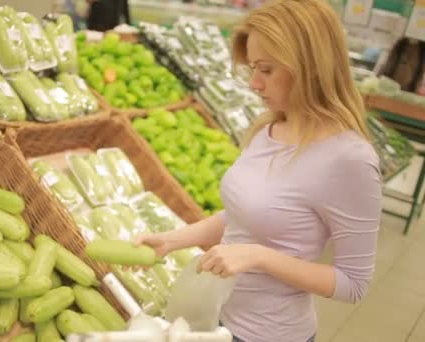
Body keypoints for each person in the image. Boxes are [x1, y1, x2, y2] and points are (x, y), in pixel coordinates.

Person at [136, 1, 382, 342]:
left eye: (266, 70)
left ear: (310, 66)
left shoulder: (349, 159)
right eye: (252, 68)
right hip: (215, 316)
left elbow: (353, 284)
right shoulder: (268, 128)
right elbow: (243, 215)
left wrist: (259, 257)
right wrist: (174, 239)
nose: (254, 84)